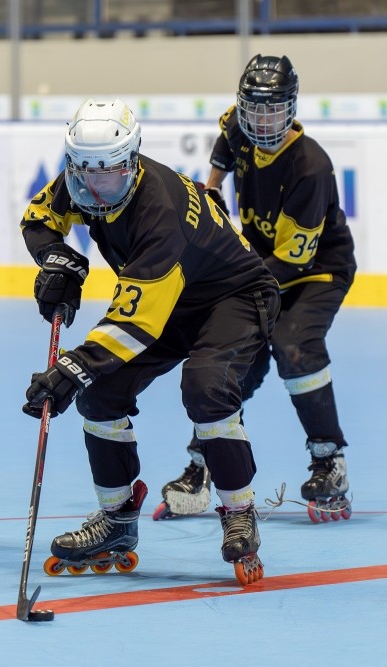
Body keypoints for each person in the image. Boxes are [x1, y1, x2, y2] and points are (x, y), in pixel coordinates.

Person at [20, 98, 279, 583]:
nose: (96, 187)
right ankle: (117, 519)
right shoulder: (83, 178)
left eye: (110, 173)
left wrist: (72, 368)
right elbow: (38, 218)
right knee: (100, 395)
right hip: (169, 300)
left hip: (233, 297)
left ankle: (239, 510)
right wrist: (57, 258)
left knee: (205, 388)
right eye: (84, 171)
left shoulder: (161, 212)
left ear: (133, 161)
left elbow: (135, 324)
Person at [156, 54, 357, 524]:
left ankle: (329, 461)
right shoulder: (238, 125)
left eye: (274, 110)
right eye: (255, 111)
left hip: (315, 270)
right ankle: (203, 464)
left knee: (293, 343)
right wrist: (212, 187)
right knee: (232, 354)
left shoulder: (311, 168)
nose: (262, 121)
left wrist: (231, 283)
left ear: (292, 109)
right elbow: (226, 141)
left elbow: (295, 258)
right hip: (261, 262)